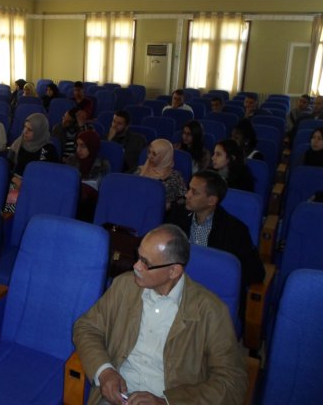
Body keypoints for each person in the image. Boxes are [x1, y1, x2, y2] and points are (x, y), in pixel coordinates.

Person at [73, 224, 247, 405]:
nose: (136, 266)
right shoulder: (124, 286)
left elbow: (232, 383)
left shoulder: (211, 312)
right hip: (117, 398)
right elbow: (86, 327)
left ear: (174, 271)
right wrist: (104, 371)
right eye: (138, 256)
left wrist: (167, 402)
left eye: (146, 263)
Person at [167, 170, 265, 314]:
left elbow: (255, 273)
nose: (187, 195)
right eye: (189, 189)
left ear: (211, 200)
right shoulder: (177, 215)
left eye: (194, 192)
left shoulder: (235, 231)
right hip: (175, 290)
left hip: (212, 299)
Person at [4, 113, 58, 213]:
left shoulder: (47, 149)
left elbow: (46, 177)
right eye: (24, 127)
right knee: (9, 214)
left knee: (27, 214)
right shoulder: (19, 143)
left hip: (36, 190)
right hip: (15, 185)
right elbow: (7, 167)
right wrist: (14, 179)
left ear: (39, 131)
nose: (25, 131)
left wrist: (25, 184)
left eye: (30, 129)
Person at [65, 130, 110, 221]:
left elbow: (97, 187)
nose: (78, 150)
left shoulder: (103, 165)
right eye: (77, 145)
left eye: (83, 146)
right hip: (71, 197)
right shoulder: (72, 160)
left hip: (90, 204)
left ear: (91, 146)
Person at [135, 139, 187, 211]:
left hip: (164, 213)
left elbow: (184, 198)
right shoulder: (140, 171)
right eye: (149, 152)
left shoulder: (175, 176)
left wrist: (170, 205)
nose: (149, 156)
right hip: (138, 209)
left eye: (154, 154)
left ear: (165, 156)